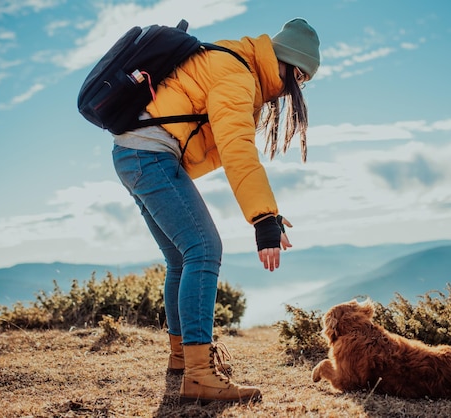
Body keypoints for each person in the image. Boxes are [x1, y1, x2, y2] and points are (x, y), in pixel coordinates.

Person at [111, 18, 320, 404]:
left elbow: (223, 147)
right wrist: (263, 219)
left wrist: (269, 213)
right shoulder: (237, 75)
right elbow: (238, 149)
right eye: (302, 77)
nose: (299, 87)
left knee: (180, 258)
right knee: (204, 250)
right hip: (149, 155)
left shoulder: (236, 64)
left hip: (135, 154)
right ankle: (201, 376)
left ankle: (182, 359)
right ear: (289, 64)